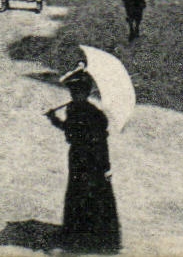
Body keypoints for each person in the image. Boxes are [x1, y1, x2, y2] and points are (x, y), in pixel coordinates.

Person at [45, 70, 122, 254]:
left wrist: (106, 166)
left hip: (92, 160)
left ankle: (91, 237)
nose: (74, 96)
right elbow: (69, 131)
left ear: (86, 93)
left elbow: (101, 142)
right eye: (72, 92)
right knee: (76, 193)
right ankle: (76, 233)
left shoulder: (95, 115)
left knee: (90, 194)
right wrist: (54, 119)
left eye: (77, 92)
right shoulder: (73, 110)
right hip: (77, 158)